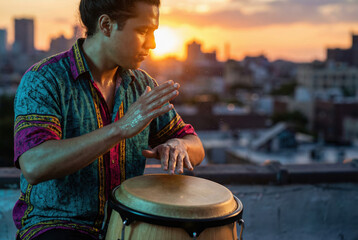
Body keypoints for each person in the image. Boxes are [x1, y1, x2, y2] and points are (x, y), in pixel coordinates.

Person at [12, 0, 205, 239]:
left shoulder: (142, 85)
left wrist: (180, 145)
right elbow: (34, 165)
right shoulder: (44, 79)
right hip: (56, 225)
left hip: (126, 225)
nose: (153, 44)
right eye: (143, 31)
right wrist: (121, 128)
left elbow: (195, 144)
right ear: (106, 25)